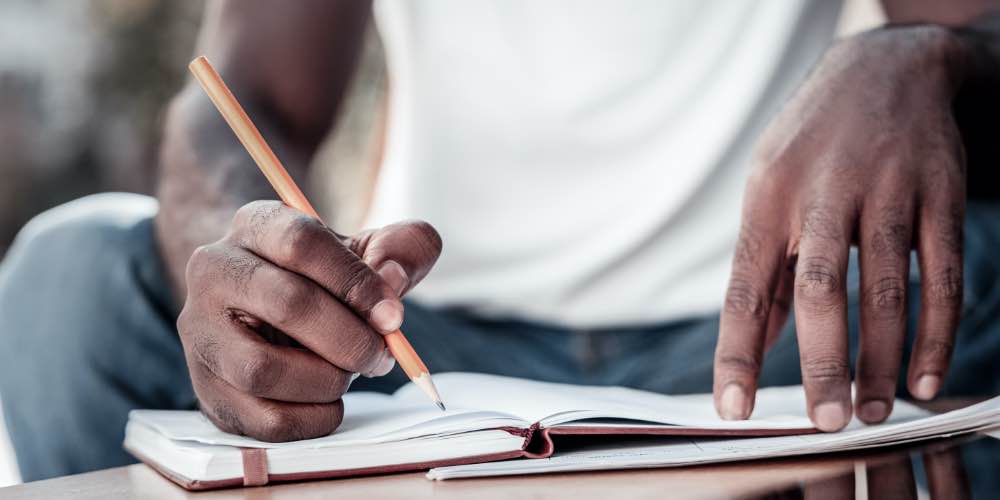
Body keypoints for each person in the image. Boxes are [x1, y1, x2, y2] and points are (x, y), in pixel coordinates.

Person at [3, 0, 1000, 481]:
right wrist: (247, 265)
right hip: (422, 355)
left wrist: (926, 51)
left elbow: (969, 28)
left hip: (780, 330)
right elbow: (236, 101)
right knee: (69, 276)